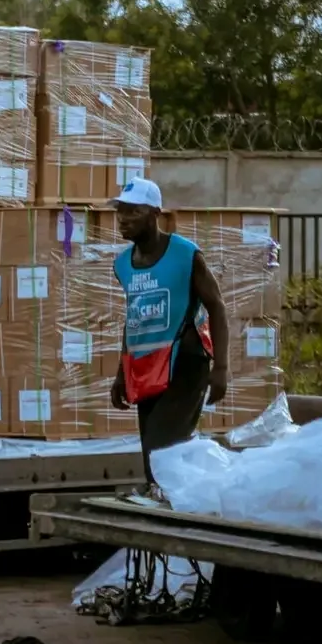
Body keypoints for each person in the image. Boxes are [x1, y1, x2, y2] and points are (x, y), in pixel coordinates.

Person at [108, 178, 231, 495]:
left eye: (133, 211)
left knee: (160, 445)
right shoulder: (123, 265)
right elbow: (133, 318)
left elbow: (216, 306)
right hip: (145, 368)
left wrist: (221, 367)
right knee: (153, 451)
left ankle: (177, 500)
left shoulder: (185, 255)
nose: (123, 219)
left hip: (185, 363)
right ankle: (174, 499)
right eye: (120, 211)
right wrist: (121, 374)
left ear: (154, 214)